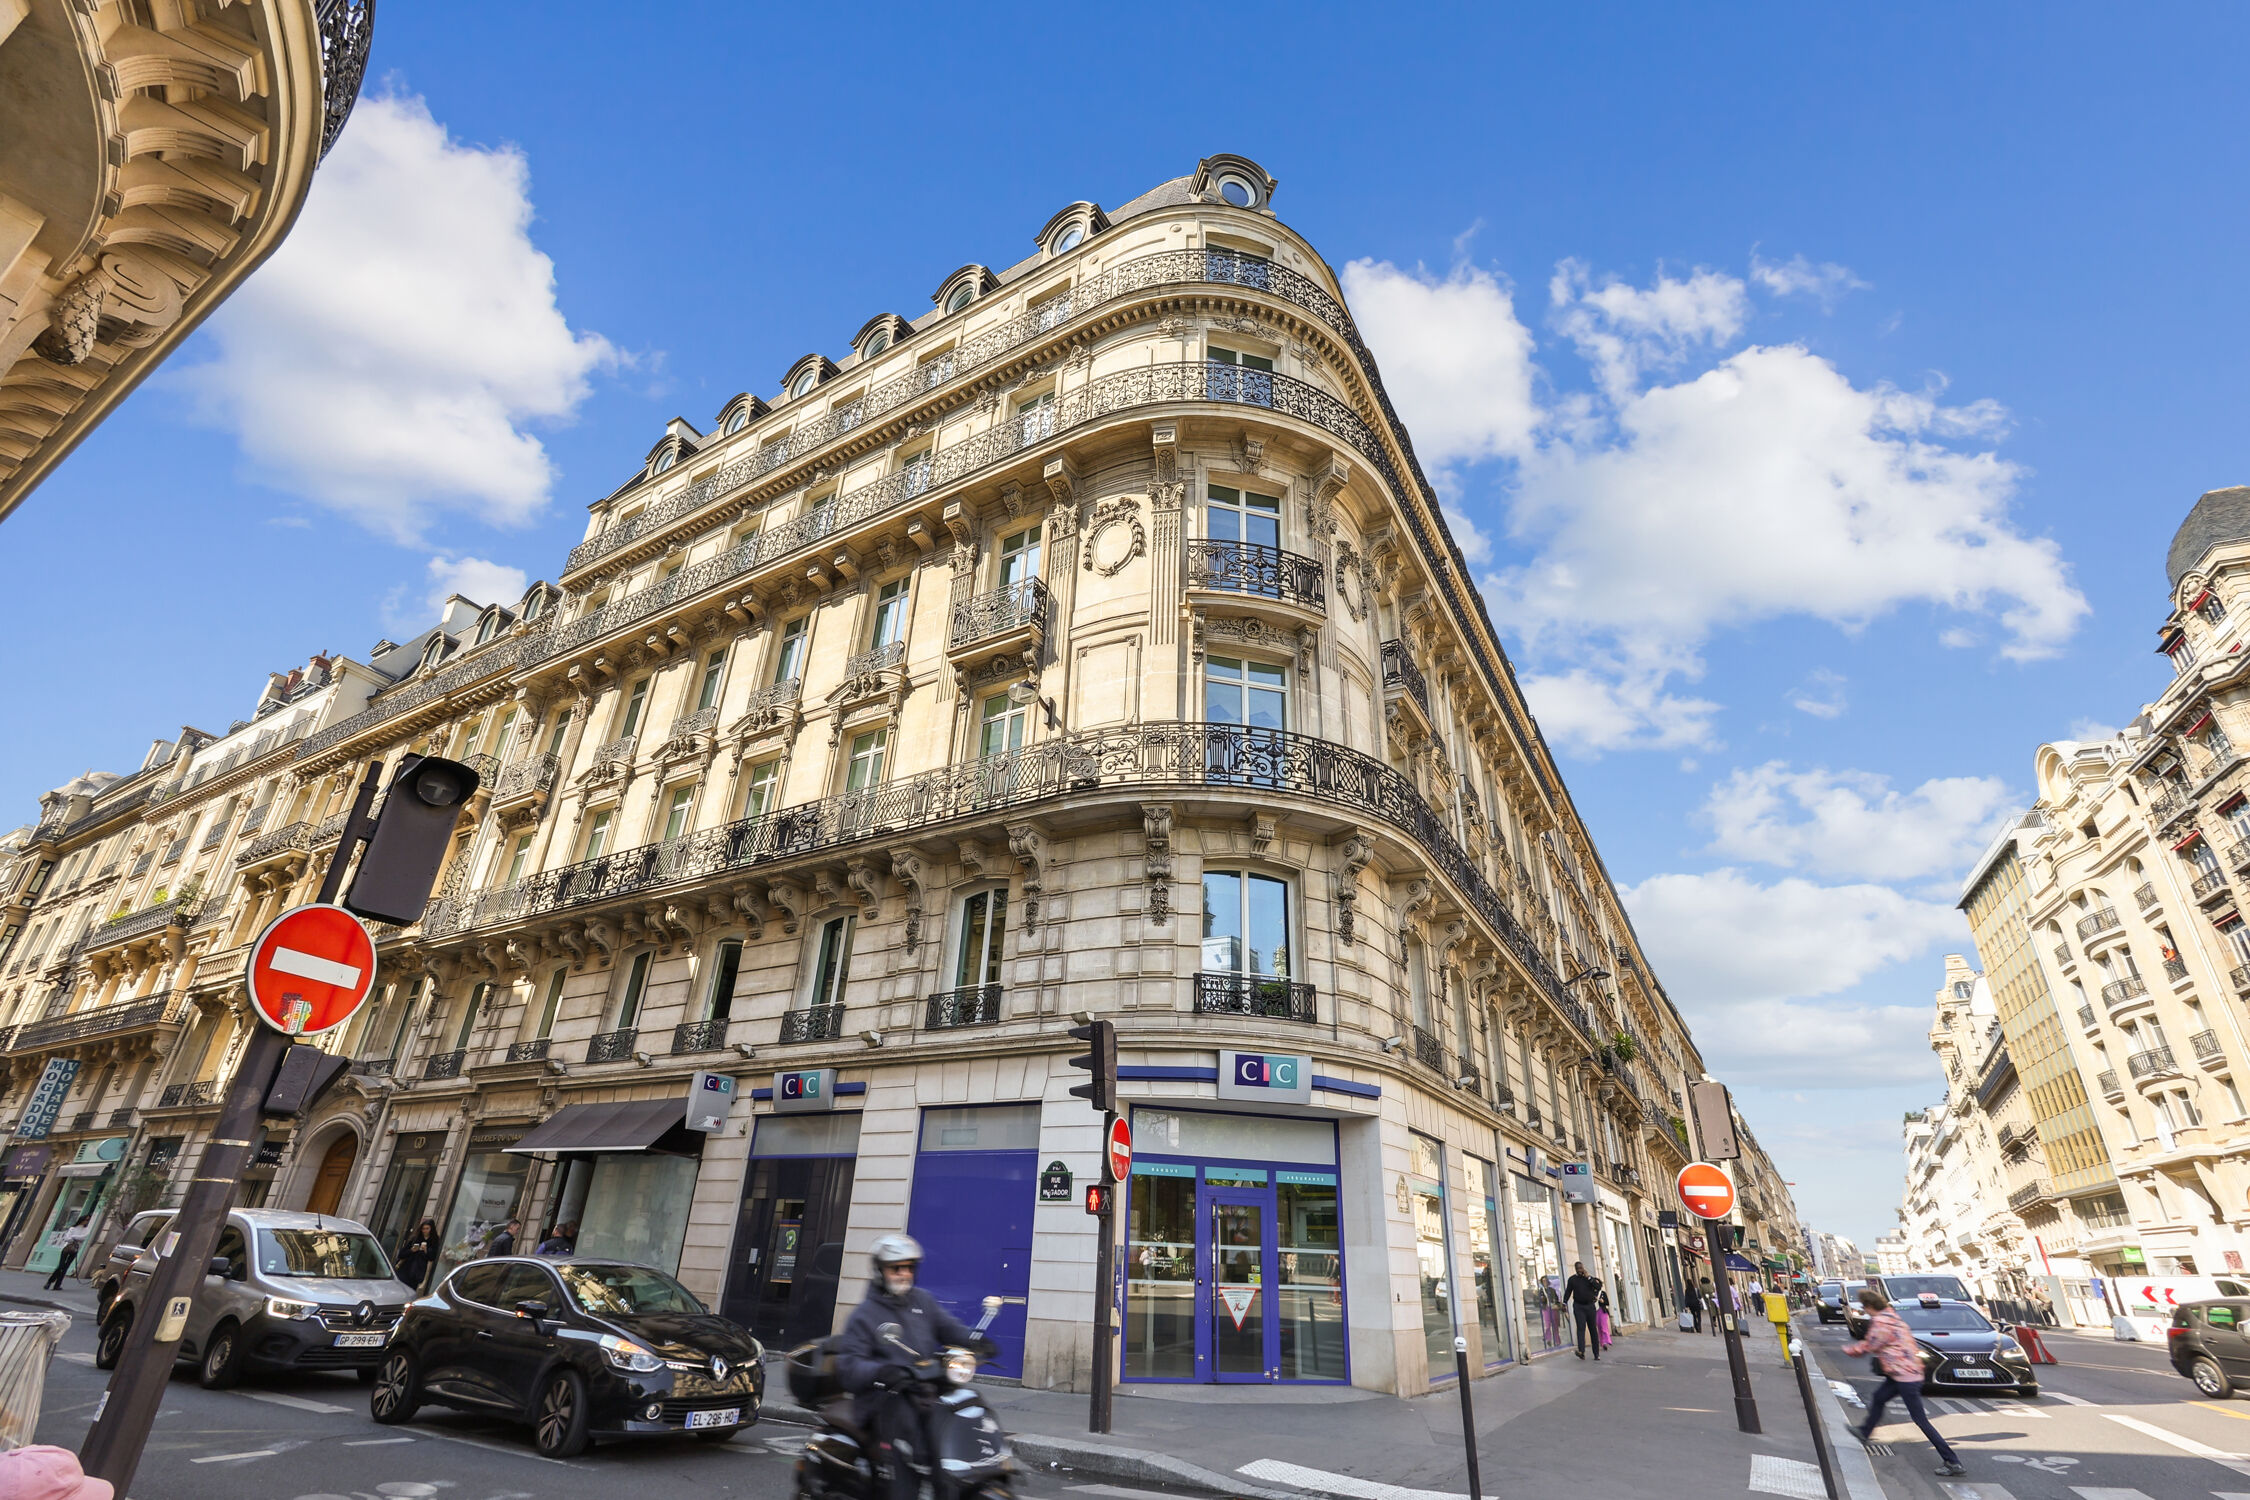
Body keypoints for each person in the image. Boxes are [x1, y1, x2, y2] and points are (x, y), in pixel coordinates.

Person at [835, 1233, 994, 1500]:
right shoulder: (865, 1315)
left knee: (968, 1405)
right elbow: (848, 1365)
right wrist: (880, 1372)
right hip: (884, 1400)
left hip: (922, 1392)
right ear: (879, 1271)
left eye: (909, 1267)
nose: (904, 1273)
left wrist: (976, 1341)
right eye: (896, 1268)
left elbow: (949, 1328)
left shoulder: (923, 1301)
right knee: (904, 1451)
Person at [1844, 1287, 1964, 1478]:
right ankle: (1864, 1432)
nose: (1864, 1310)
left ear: (1868, 1306)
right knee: (1879, 1397)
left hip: (1904, 1375)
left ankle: (1952, 1461)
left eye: (1864, 1307)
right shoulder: (1894, 1318)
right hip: (1905, 1372)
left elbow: (1872, 1344)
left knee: (1920, 1420)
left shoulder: (1882, 1322)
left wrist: (1851, 1350)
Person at [1564, 1260, 1605, 1361]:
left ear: (1583, 1268)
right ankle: (1581, 1351)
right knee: (1581, 1328)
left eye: (1580, 1268)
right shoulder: (1572, 1280)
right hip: (1579, 1306)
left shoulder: (1589, 1279)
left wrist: (1589, 1278)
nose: (1579, 1270)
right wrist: (1564, 1302)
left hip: (1590, 1306)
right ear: (1575, 1269)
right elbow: (1568, 1291)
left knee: (1592, 1330)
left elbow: (1598, 1286)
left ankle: (1596, 1353)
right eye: (1577, 1269)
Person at [42, 1219, 89, 1291]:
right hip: (67, 1249)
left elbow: (83, 1238)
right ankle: (49, 1281)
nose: (87, 1221)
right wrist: (75, 1238)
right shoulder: (73, 1228)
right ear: (82, 1220)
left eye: (88, 1220)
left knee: (65, 1268)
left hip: (75, 1250)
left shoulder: (86, 1229)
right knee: (61, 1266)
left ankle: (57, 1285)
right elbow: (67, 1239)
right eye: (86, 1219)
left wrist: (73, 1237)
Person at [393, 1219, 438, 1291]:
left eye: (427, 1228)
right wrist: (412, 1250)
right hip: (405, 1269)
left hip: (417, 1272)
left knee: (411, 1292)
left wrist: (426, 1251)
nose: (425, 1231)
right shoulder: (415, 1238)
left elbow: (432, 1257)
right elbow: (401, 1254)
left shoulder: (434, 1240)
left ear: (431, 1229)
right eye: (423, 1229)